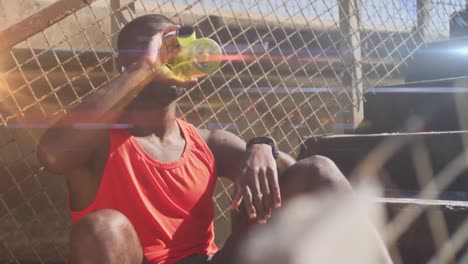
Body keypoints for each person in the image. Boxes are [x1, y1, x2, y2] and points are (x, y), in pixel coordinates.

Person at [37, 14, 389, 264]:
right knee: (102, 228)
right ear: (124, 65)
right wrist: (144, 68)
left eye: (172, 48)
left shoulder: (208, 142)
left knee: (320, 170)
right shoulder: (97, 142)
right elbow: (52, 154)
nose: (165, 56)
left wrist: (262, 145)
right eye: (152, 48)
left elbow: (298, 177)